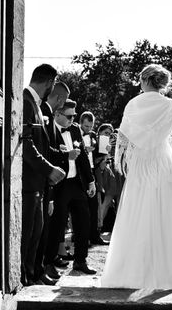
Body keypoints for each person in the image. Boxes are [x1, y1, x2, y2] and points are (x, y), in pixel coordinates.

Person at [101, 64, 172, 289]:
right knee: (165, 215)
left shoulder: (132, 104)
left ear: (145, 79)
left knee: (137, 213)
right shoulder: (171, 105)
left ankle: (132, 271)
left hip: (141, 166)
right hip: (163, 164)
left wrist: (117, 143)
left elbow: (124, 140)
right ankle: (168, 273)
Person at [21, 64, 66, 286]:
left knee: (36, 235)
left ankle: (33, 273)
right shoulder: (25, 101)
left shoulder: (35, 104)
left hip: (38, 184)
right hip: (28, 182)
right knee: (28, 235)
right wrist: (49, 169)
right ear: (49, 82)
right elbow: (26, 145)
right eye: (53, 85)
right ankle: (25, 276)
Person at [44, 99, 97, 275]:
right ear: (57, 114)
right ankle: (49, 263)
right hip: (59, 184)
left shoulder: (74, 129)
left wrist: (90, 181)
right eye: (69, 116)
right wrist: (67, 155)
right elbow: (49, 154)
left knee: (84, 222)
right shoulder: (49, 129)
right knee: (57, 225)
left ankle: (80, 261)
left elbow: (82, 157)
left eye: (74, 115)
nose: (72, 119)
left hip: (77, 183)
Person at [77, 111, 108, 246]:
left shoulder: (94, 136)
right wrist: (84, 151)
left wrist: (105, 151)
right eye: (85, 126)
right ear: (80, 123)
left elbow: (97, 157)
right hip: (79, 174)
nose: (88, 129)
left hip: (92, 172)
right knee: (82, 209)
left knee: (94, 206)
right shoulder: (75, 134)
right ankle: (82, 238)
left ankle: (95, 236)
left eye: (90, 126)